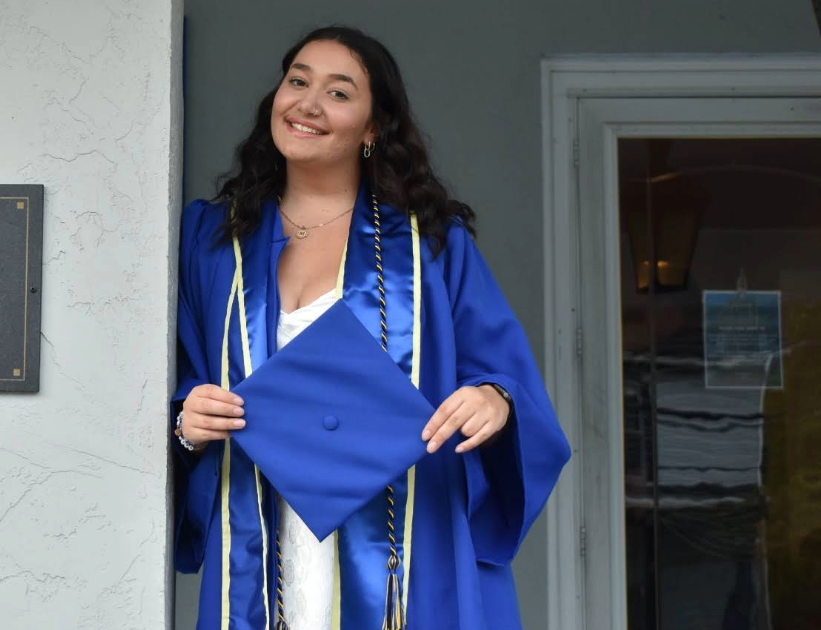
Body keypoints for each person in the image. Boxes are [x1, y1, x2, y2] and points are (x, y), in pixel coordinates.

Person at [172, 25, 571, 630]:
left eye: (338, 92)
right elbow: (168, 378)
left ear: (373, 126)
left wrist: (493, 400)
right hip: (259, 531)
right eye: (297, 81)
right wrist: (187, 419)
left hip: (402, 544)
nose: (307, 103)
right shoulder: (211, 240)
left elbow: (503, 377)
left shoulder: (430, 246)